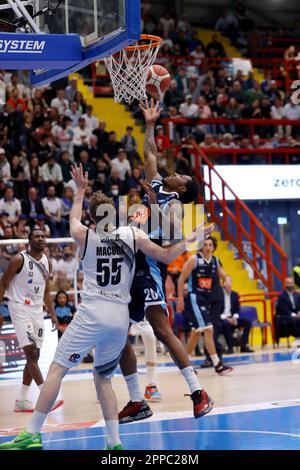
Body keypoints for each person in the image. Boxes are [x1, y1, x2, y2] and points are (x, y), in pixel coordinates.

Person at [0, 164, 209, 451]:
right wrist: (191, 238)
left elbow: (74, 218)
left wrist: (80, 191)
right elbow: (166, 252)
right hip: (120, 317)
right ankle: (114, 443)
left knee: (57, 370)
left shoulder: (84, 235)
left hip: (93, 312)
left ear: (91, 216)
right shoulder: (131, 234)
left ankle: (33, 434)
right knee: (104, 379)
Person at [118, 100, 214, 425]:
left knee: (161, 330)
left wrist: (155, 204)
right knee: (117, 334)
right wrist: (149, 124)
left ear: (183, 188)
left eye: (182, 175)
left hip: (150, 265)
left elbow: (169, 232)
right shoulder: (157, 183)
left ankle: (198, 392)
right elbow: (149, 155)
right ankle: (136, 400)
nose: (176, 172)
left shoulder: (174, 204)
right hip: (130, 263)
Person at [0, 229, 63, 413]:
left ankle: (21, 399)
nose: (41, 238)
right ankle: (46, 398)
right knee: (31, 353)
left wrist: (52, 313)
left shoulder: (46, 262)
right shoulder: (19, 260)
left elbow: (45, 291)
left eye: (43, 236)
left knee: (34, 356)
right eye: (37, 236)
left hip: (36, 310)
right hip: (19, 306)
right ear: (29, 240)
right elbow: (3, 283)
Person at [176, 240, 233, 375]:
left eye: (210, 245)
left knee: (196, 332)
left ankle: (184, 364)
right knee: (209, 330)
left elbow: (224, 276)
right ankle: (217, 364)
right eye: (205, 245)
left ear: (214, 247)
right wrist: (180, 299)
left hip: (206, 299)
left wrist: (228, 281)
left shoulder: (215, 260)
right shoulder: (194, 259)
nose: (207, 247)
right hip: (195, 298)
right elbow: (181, 279)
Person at [219, 276, 254, 353]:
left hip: (232, 317)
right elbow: (217, 311)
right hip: (222, 318)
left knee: (247, 322)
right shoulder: (219, 295)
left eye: (230, 282)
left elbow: (237, 309)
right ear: (223, 284)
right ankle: (230, 347)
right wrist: (227, 319)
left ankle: (244, 345)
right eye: (227, 282)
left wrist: (235, 317)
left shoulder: (235, 295)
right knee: (226, 324)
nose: (229, 285)